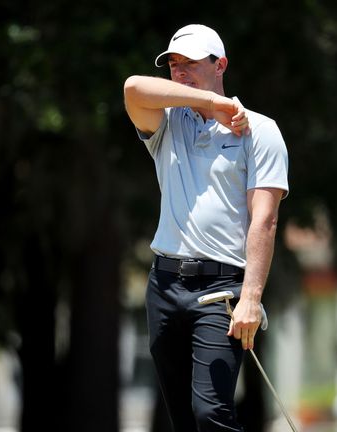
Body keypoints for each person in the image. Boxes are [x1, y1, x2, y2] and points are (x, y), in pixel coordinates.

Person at [123, 24, 289, 431]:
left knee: (210, 413)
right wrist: (210, 104)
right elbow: (132, 89)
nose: (179, 72)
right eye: (174, 65)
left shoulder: (261, 131)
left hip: (222, 293)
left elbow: (264, 220)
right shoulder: (166, 124)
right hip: (164, 286)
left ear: (221, 65)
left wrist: (251, 298)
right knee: (182, 419)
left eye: (191, 64)